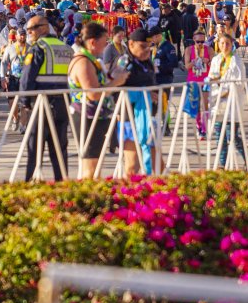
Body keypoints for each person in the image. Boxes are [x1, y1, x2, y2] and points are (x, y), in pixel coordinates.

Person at [68, 21, 129, 179]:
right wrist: (117, 82)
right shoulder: (83, 62)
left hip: (97, 115)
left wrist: (113, 76)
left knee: (95, 163)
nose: (105, 47)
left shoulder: (93, 60)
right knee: (91, 165)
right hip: (87, 116)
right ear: (92, 42)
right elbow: (93, 93)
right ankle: (89, 198)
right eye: (103, 43)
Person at [18, 14, 74, 181]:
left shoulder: (38, 48)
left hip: (42, 103)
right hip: (63, 103)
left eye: (31, 30)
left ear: (43, 27)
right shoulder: (65, 48)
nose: (29, 33)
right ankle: (61, 184)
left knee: (35, 146)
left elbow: (27, 78)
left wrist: (24, 102)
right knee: (59, 147)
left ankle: (29, 183)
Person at [120, 29, 158, 177]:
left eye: (149, 46)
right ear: (131, 44)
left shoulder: (148, 62)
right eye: (143, 46)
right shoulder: (124, 62)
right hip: (129, 118)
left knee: (155, 161)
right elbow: (117, 88)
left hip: (149, 116)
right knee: (132, 165)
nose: (147, 50)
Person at [207, 32, 247, 166]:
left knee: (233, 137)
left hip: (231, 102)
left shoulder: (236, 61)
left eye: (227, 43)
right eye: (222, 43)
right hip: (218, 103)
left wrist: (227, 91)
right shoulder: (216, 60)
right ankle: (222, 165)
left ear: (232, 45)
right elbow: (212, 77)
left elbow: (240, 81)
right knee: (220, 138)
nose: (224, 46)